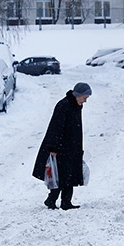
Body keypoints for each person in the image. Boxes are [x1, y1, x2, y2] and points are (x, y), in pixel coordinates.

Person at [32, 82, 91, 210]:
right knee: (60, 175)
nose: (85, 101)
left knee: (70, 175)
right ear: (77, 95)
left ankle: (66, 202)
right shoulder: (64, 106)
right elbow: (55, 127)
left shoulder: (76, 105)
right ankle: (51, 200)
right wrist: (53, 148)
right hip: (61, 148)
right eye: (84, 97)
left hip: (72, 147)